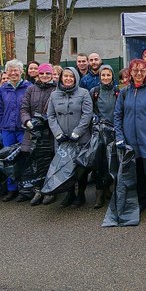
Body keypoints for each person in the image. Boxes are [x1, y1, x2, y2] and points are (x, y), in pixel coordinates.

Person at [114, 59, 146, 218]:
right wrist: (120, 137)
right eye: (135, 70)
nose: (138, 73)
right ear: (130, 72)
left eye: (142, 71)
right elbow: (117, 115)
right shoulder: (124, 92)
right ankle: (141, 202)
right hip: (130, 141)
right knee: (137, 174)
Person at [47, 66, 94, 208]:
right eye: (65, 76)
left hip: (80, 138)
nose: (68, 79)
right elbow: (51, 115)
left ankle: (80, 194)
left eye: (71, 76)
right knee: (64, 167)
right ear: (61, 78)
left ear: (75, 78)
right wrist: (57, 133)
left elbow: (87, 114)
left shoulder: (84, 93)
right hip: (62, 139)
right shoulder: (54, 94)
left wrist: (77, 132)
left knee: (80, 169)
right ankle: (69, 194)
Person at [21, 63, 57, 206]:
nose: (44, 76)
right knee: (35, 161)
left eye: (47, 74)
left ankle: (50, 190)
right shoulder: (31, 89)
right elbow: (24, 108)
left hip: (50, 131)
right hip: (33, 132)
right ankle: (38, 190)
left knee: (50, 161)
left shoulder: (56, 89)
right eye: (42, 74)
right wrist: (27, 121)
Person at [0, 59, 32, 201]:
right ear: (6, 73)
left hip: (23, 130)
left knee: (24, 159)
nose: (13, 73)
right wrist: (0, 128)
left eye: (16, 70)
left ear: (21, 71)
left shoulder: (28, 87)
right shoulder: (3, 89)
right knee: (8, 160)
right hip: (7, 130)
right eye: (10, 70)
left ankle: (25, 188)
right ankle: (12, 189)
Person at [90, 64, 120, 208]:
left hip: (114, 132)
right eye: (103, 75)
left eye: (108, 75)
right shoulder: (94, 92)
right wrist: (95, 119)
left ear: (112, 76)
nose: (106, 78)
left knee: (112, 162)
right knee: (100, 163)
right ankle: (99, 192)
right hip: (100, 133)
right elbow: (90, 110)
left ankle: (109, 188)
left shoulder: (118, 91)